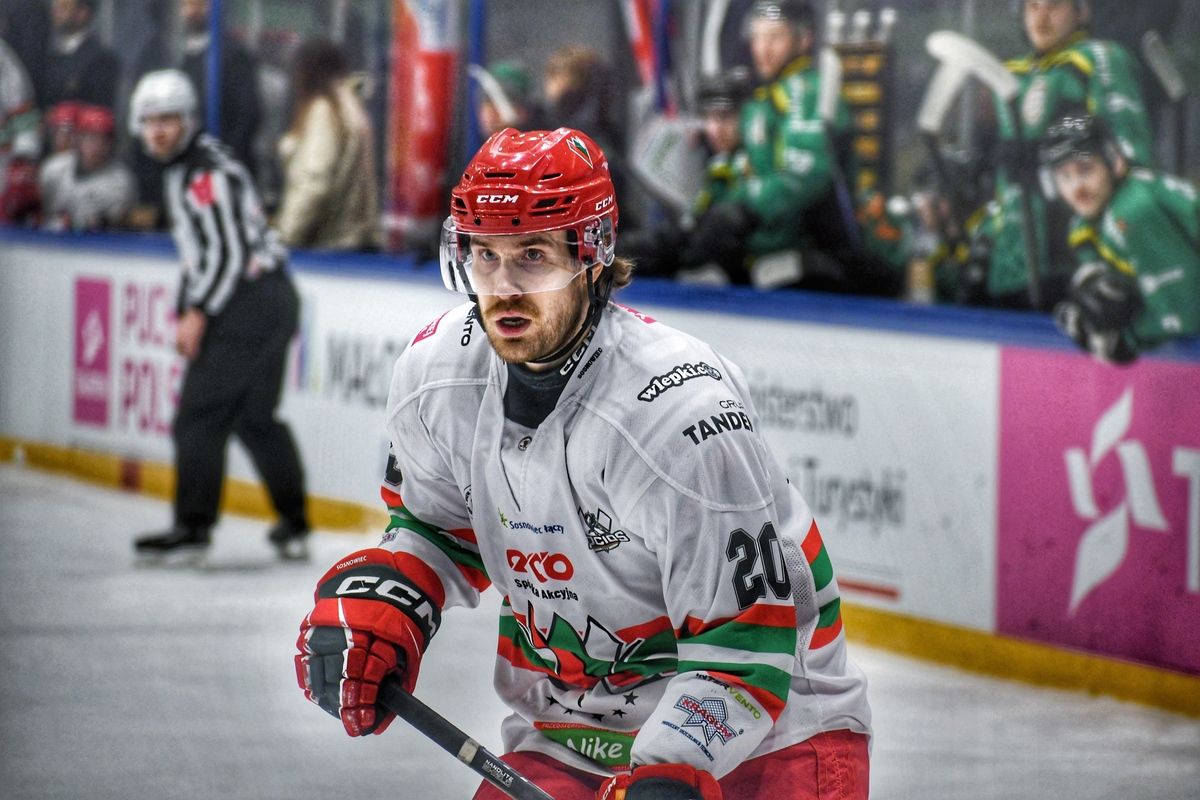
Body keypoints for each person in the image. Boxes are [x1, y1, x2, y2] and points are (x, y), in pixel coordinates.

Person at [293, 126, 872, 799]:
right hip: (570, 737)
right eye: (485, 255)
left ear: (593, 256)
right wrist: (390, 599)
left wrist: (667, 774)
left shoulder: (677, 414)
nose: (503, 287)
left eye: (533, 256)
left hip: (771, 734)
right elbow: (439, 527)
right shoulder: (438, 377)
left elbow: (746, 644)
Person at [128, 69, 309, 562]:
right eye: (150, 121)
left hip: (249, 303)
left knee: (199, 417)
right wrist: (189, 306)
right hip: (263, 298)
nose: (158, 131)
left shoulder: (204, 174)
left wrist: (196, 311)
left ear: (187, 120)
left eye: (168, 119)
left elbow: (228, 254)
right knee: (254, 417)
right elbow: (206, 254)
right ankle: (294, 522)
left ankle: (192, 529)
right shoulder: (188, 168)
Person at [693, 0, 900, 294]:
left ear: (803, 40)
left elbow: (803, 176)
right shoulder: (765, 98)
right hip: (773, 249)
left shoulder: (805, 90)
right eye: (757, 37)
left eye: (775, 37)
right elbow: (740, 170)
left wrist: (742, 208)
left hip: (816, 253)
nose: (762, 49)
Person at [963, 0, 1154, 310]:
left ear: (1082, 11)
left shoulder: (1096, 58)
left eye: (1054, 6)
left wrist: (1049, 153)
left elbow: (1124, 149)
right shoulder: (1010, 73)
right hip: (1011, 260)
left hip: (1072, 257)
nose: (1041, 17)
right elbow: (1001, 179)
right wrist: (984, 230)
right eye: (1033, 7)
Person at [1040, 115, 1199, 363]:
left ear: (1115, 162)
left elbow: (1187, 314)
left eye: (1085, 169)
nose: (1076, 188)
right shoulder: (1087, 223)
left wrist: (1127, 339)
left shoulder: (1132, 211)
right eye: (1064, 176)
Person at [275, 38, 381, 251]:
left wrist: (284, 236)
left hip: (328, 244)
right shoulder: (350, 106)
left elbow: (314, 183)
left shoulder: (324, 111)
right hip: (353, 241)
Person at [178, 0, 262, 178]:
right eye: (186, 5)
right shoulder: (188, 55)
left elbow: (247, 114)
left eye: (199, 5)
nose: (191, 12)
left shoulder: (231, 54)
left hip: (225, 166)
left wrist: (225, 160)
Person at [38, 104, 135, 231]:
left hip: (96, 241)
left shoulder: (121, 181)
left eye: (104, 139)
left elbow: (110, 223)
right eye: (91, 137)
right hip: (47, 238)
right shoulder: (53, 168)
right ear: (78, 139)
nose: (97, 145)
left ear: (112, 144)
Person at [42, 0, 119, 109]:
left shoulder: (100, 59)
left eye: (64, 8)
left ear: (82, 13)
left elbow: (98, 107)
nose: (55, 13)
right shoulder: (49, 53)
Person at [472, 59, 545, 138]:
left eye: (499, 103)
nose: (489, 114)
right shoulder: (476, 141)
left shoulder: (544, 139)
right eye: (486, 103)